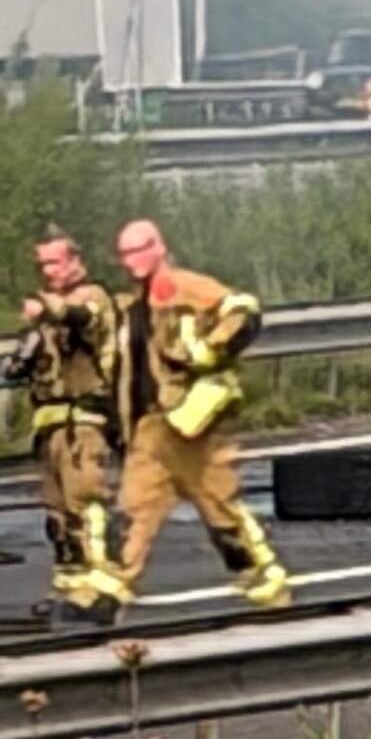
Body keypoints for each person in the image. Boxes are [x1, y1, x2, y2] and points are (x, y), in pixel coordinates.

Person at [76, 219, 284, 620]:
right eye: (125, 253)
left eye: (139, 250)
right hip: (152, 425)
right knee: (135, 507)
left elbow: (242, 311)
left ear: (159, 247)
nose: (131, 261)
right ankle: (108, 592)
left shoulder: (185, 286)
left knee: (217, 504)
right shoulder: (134, 302)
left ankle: (263, 579)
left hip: (189, 420)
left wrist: (208, 352)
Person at [15, 228, 119, 611]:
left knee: (85, 508)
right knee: (57, 518)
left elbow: (81, 317)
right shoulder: (48, 315)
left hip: (83, 423)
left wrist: (47, 311)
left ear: (75, 261)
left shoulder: (92, 298)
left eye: (55, 262)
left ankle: (99, 592)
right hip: (51, 425)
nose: (48, 271)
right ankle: (68, 590)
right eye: (42, 264)